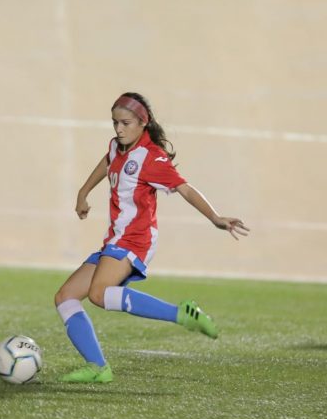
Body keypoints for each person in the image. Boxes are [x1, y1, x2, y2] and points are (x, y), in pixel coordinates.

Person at [55, 92, 249, 383]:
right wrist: (83, 192)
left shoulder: (151, 157)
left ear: (142, 123)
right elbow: (108, 160)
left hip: (136, 239)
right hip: (115, 239)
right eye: (115, 122)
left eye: (125, 123)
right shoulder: (117, 145)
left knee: (98, 294)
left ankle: (181, 314)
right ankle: (98, 368)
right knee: (65, 297)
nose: (119, 129)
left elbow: (185, 188)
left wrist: (215, 217)